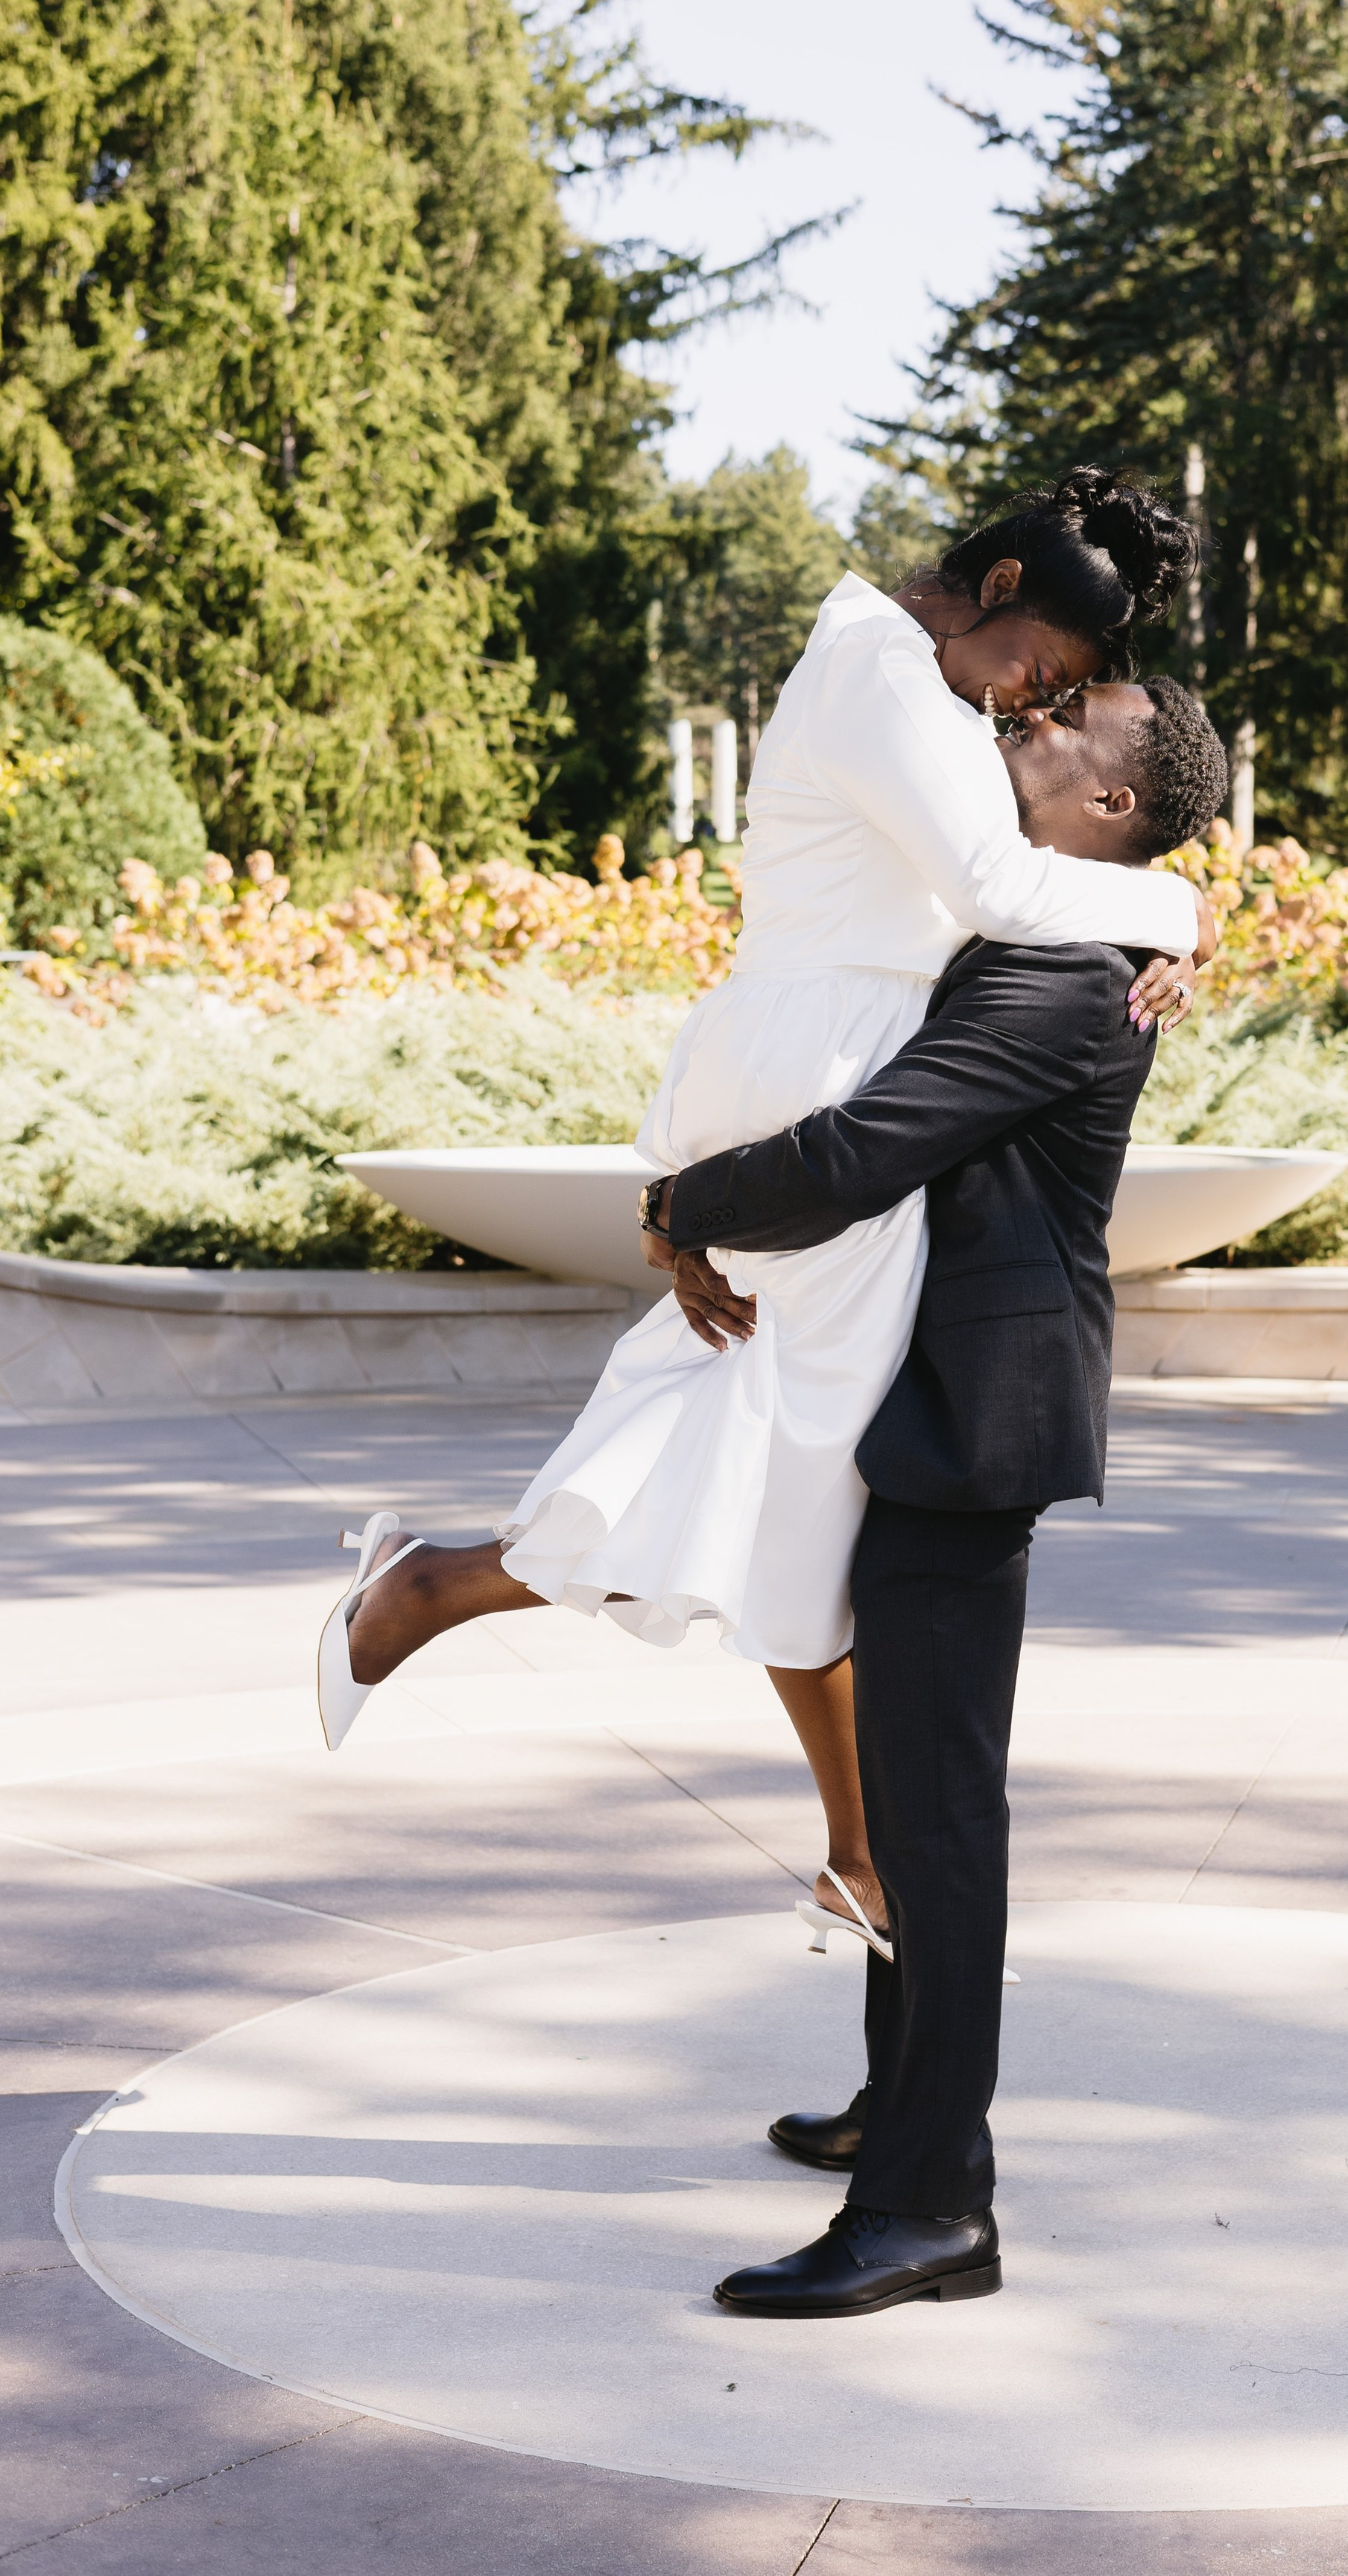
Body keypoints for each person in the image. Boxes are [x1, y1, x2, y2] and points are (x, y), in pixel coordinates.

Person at [317, 470, 1212, 1960]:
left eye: (1055, 699)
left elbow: (1023, 870)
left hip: (801, 1069)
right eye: (1041, 672)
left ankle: (453, 1601)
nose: (1032, 711)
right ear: (994, 589)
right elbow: (998, 885)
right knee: (809, 1488)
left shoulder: (918, 685)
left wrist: (1159, 890)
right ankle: (839, 1842)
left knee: (761, 1458)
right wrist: (1177, 909)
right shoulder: (875, 667)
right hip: (819, 1089)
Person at [643, 673, 1230, 2316]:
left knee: (941, 1819)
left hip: (976, 1421)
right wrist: (1184, 909)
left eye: (1061, 731)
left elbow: (860, 1151)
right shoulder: (1057, 925)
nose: (1020, 726)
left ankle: (932, 2206)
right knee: (911, 1804)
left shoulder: (1061, 980)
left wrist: (676, 1199)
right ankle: (895, 2120)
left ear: (1105, 806)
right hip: (919, 1403)